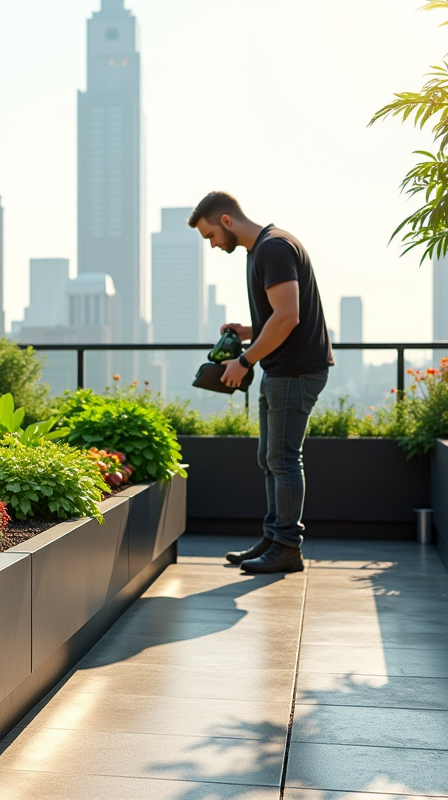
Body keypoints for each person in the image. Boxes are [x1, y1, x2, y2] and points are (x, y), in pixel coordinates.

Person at [188, 192, 333, 573]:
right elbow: (277, 318)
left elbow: (288, 318)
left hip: (296, 370)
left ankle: (287, 546)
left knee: (283, 460)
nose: (214, 246)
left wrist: (243, 360)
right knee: (270, 459)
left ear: (226, 221)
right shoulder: (264, 249)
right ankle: (273, 538)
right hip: (282, 368)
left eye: (210, 237)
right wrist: (248, 331)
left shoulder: (273, 248)